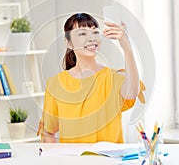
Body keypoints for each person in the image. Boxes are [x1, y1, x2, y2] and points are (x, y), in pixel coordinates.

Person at [37, 13, 145, 143]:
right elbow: (49, 132)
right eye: (82, 34)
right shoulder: (55, 84)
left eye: (95, 32)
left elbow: (132, 92)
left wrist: (127, 48)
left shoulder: (113, 78)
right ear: (69, 43)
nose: (91, 38)